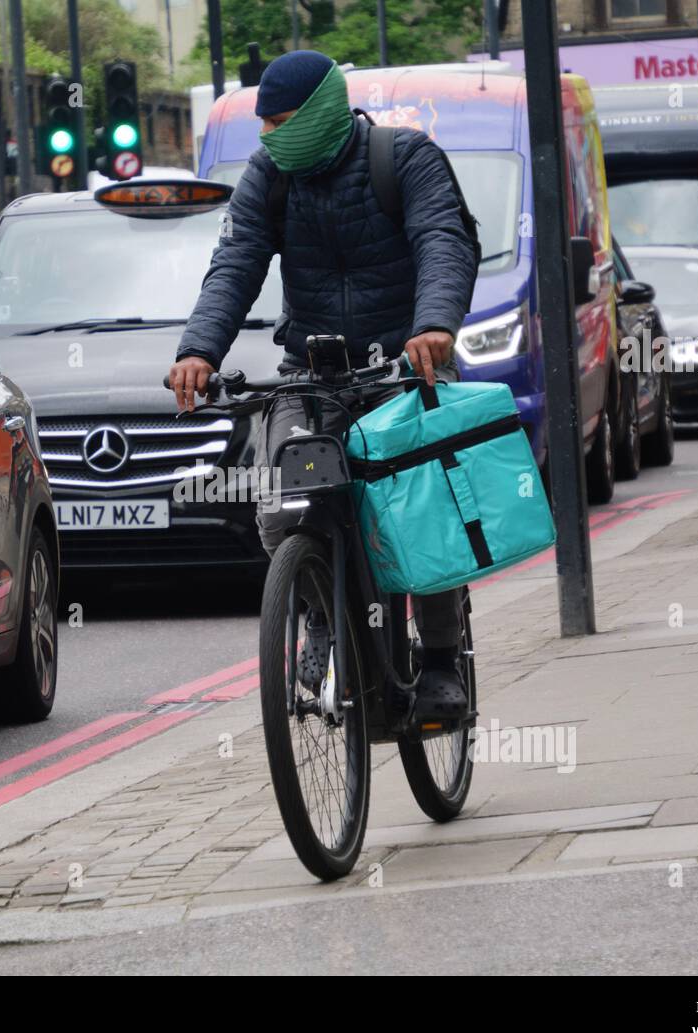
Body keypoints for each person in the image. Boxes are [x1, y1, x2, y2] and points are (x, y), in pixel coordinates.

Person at [166, 50, 480, 723]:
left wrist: (434, 326)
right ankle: (318, 615)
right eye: (264, 125)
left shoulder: (407, 159)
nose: (271, 136)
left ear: (321, 111)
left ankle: (441, 661)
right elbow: (237, 261)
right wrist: (198, 348)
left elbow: (441, 241)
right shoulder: (269, 177)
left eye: (281, 121)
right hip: (313, 375)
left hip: (405, 365)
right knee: (285, 507)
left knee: (423, 511)